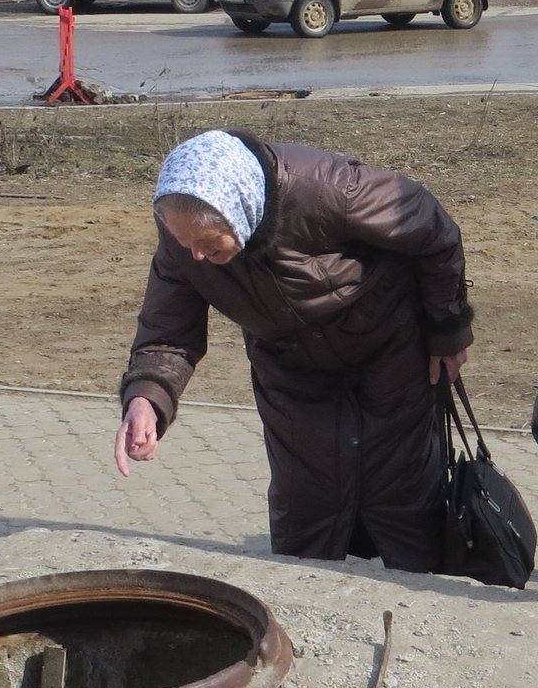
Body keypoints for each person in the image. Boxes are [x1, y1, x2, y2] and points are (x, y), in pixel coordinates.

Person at [113, 130, 473, 573]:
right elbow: (168, 327)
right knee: (304, 497)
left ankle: (423, 596)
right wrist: (146, 398)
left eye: (207, 242)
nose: (197, 256)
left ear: (240, 208)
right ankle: (302, 598)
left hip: (387, 344)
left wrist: (448, 329)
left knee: (401, 487)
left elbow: (434, 232)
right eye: (186, 244)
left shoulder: (331, 190)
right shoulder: (182, 238)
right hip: (287, 362)